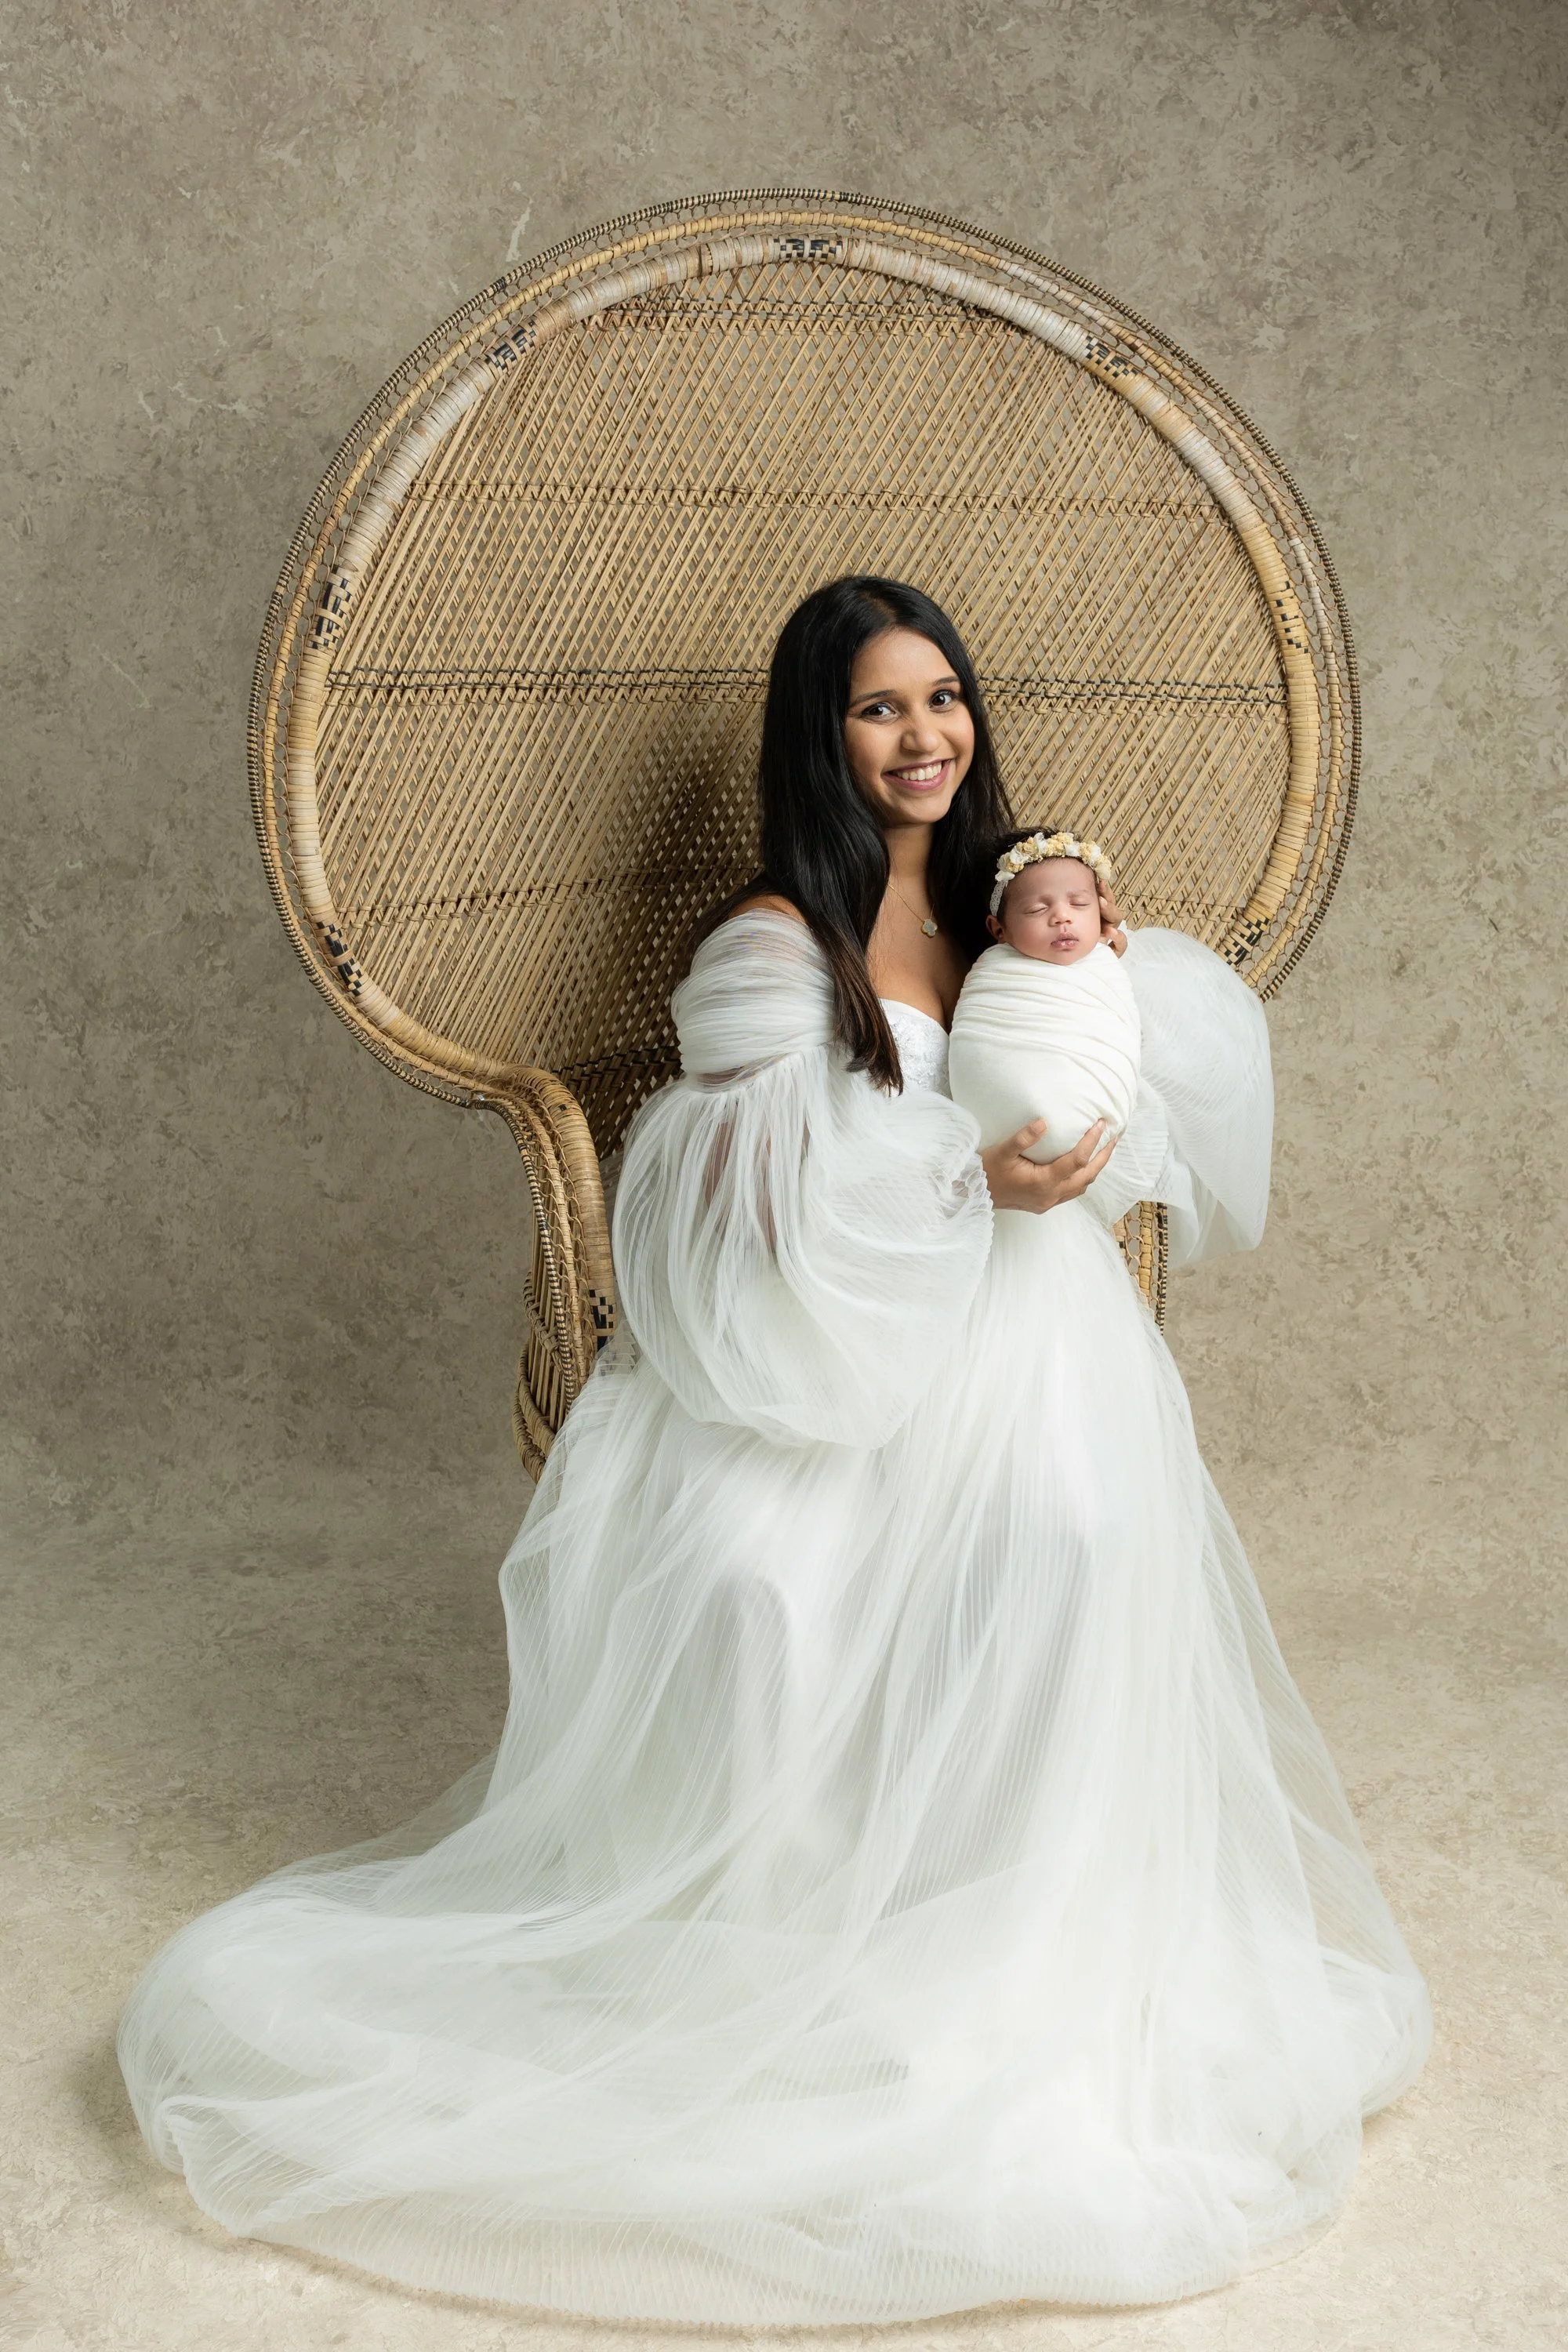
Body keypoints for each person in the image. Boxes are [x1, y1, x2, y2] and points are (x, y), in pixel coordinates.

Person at [118, 575, 1431, 2325]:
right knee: (773, 1573)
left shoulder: (998, 910)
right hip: (823, 1349)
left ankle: (1017, 1932)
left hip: (1029, 1334)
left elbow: (1096, 1089)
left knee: (1084, 1541)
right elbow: (722, 1204)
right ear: (820, 738)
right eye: (879, 709)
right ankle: (812, 1943)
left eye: (944, 698)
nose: (923, 737)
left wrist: (1095, 1030)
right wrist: (968, 1175)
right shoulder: (770, 942)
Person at [948, 828, 1142, 1173]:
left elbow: (1118, 1032)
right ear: (998, 930)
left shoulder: (1103, 964)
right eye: (1038, 909)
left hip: (1091, 1126)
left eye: (1080, 904)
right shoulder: (994, 974)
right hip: (997, 1136)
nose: (1062, 917)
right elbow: (979, 1047)